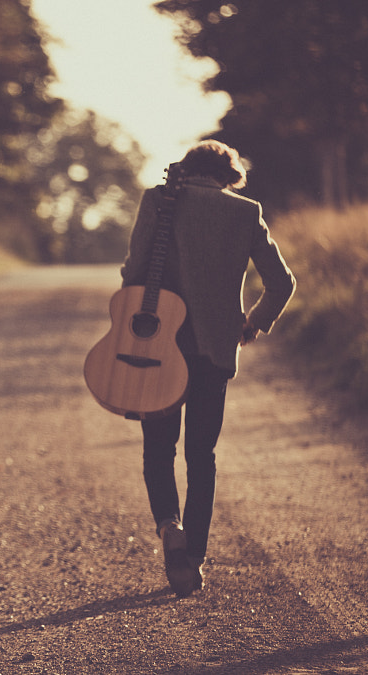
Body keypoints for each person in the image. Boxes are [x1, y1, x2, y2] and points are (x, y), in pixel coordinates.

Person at [120, 140, 296, 596]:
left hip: (157, 349)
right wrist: (253, 324)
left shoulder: (158, 200)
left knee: (158, 450)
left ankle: (168, 528)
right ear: (228, 178)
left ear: (187, 169)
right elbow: (282, 282)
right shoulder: (245, 211)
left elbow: (136, 269)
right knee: (202, 456)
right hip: (212, 352)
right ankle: (193, 556)